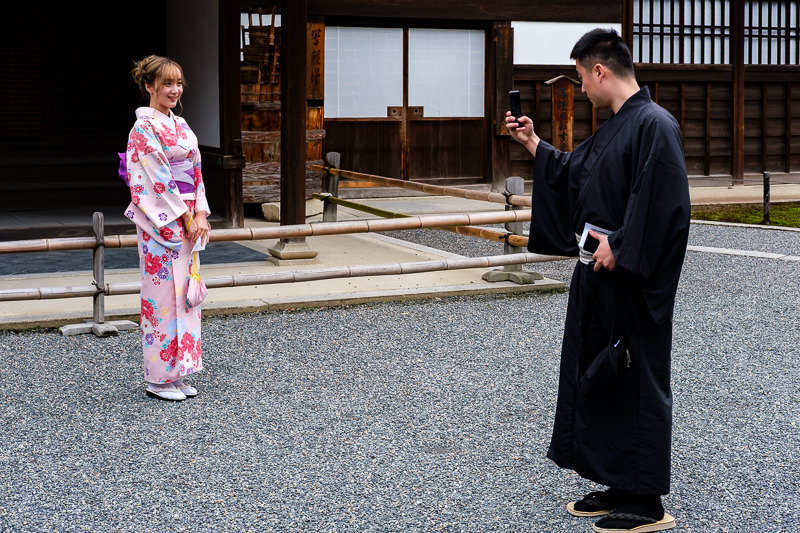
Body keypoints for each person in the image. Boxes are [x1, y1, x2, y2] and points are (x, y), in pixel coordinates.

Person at [506, 29, 690, 532]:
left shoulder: (655, 124)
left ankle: (646, 501)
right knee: (603, 375)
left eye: (583, 78)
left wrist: (622, 244)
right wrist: (532, 143)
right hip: (601, 279)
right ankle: (618, 482)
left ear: (600, 71)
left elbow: (666, 204)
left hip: (633, 281)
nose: (583, 88)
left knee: (636, 378)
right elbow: (575, 172)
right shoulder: (619, 126)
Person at [125, 55, 211, 401]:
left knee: (186, 297)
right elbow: (156, 178)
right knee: (162, 299)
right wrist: (186, 217)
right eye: (167, 84)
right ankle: (158, 379)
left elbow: (196, 171)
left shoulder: (182, 125)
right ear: (149, 86)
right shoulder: (143, 129)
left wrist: (200, 213)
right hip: (160, 223)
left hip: (188, 219)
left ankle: (178, 374)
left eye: (178, 83)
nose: (175, 90)